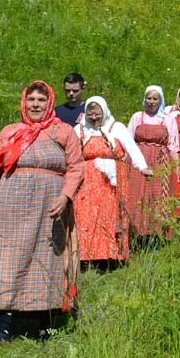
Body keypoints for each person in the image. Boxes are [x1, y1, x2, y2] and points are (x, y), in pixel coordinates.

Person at [0, 81, 84, 347]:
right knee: (8, 259)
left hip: (50, 206)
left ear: (49, 103)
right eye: (31, 100)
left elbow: (76, 167)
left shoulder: (63, 131)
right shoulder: (10, 132)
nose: (35, 105)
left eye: (41, 100)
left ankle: (45, 323)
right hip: (10, 206)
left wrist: (65, 196)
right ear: (24, 102)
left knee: (46, 260)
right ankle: (2, 324)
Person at [72, 96, 151, 272]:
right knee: (86, 217)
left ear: (104, 112)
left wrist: (142, 167)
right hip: (86, 183)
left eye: (97, 114)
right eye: (90, 114)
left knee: (110, 216)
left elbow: (132, 148)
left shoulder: (116, 128)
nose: (93, 118)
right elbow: (70, 153)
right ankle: (86, 257)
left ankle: (111, 257)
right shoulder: (79, 129)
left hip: (112, 182)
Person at [126, 85, 179, 238]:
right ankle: (135, 231)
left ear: (160, 100)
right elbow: (128, 140)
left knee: (157, 195)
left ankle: (156, 233)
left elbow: (173, 145)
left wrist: (176, 166)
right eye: (149, 98)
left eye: (155, 99)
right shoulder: (137, 117)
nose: (151, 101)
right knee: (136, 194)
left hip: (159, 160)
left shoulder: (167, 119)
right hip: (138, 160)